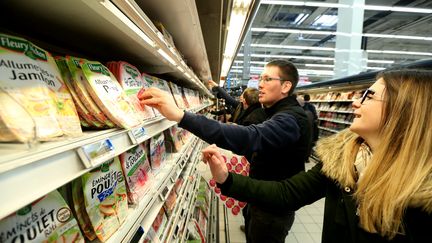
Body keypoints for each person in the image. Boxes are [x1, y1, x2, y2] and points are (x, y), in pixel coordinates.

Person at [201, 69, 432, 243]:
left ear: (404, 110)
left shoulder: (423, 193)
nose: (354, 102)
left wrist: (183, 116)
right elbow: (288, 193)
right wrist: (226, 178)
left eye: (368, 96)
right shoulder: (344, 160)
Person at [139, 60, 312, 243]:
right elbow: (266, 150)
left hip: (273, 209)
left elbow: (250, 138)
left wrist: (182, 116)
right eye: (261, 78)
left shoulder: (290, 119)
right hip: (261, 197)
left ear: (286, 86)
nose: (260, 84)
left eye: (268, 79)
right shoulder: (274, 112)